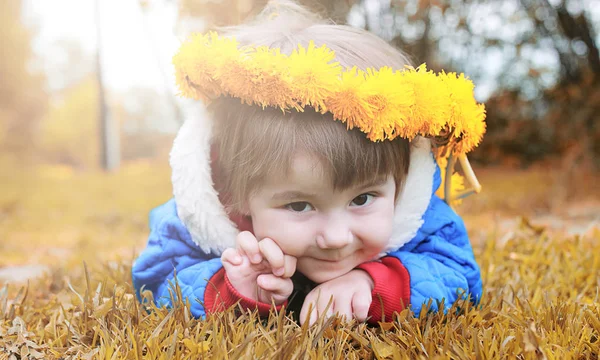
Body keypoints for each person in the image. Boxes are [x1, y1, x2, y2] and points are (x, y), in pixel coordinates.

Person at [131, 0, 485, 326]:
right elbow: (158, 281)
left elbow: (458, 273)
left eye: (362, 199)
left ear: (402, 178)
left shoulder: (416, 213)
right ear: (237, 195)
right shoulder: (199, 217)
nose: (335, 238)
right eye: (299, 204)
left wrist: (375, 283)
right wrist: (231, 291)